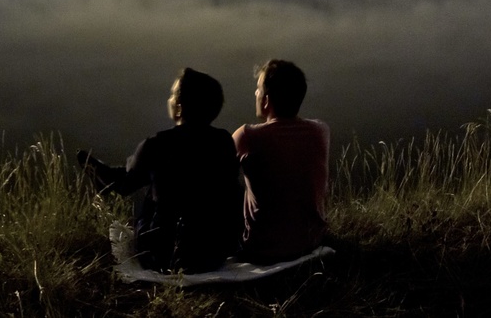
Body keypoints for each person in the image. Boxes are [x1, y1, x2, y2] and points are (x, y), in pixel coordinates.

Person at [77, 68, 242, 272]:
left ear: (180, 107)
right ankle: (116, 174)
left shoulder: (157, 144)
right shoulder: (224, 141)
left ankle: (110, 177)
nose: (170, 99)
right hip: (213, 252)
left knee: (149, 187)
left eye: (173, 95)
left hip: (164, 255)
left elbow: (127, 188)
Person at [232, 59, 329, 264]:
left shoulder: (248, 136)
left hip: (262, 250)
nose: (255, 95)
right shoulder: (320, 131)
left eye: (258, 90)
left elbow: (212, 171)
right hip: (312, 241)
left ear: (266, 100)